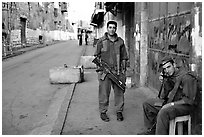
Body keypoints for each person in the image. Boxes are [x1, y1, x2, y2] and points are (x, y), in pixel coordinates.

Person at [138, 55, 198, 135]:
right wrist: (164, 81)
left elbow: (188, 100)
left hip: (185, 106)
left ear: (174, 65)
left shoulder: (186, 77)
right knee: (147, 104)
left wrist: (171, 104)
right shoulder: (170, 76)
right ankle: (152, 131)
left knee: (163, 112)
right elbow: (163, 96)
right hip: (173, 102)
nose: (167, 70)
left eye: (169, 67)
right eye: (165, 69)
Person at [94, 20, 128, 122]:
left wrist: (123, 71)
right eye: (110, 27)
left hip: (117, 72)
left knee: (119, 92)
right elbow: (96, 56)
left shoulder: (120, 42)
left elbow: (124, 57)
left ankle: (119, 112)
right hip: (105, 73)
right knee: (104, 93)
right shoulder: (101, 41)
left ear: (116, 29)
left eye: (114, 27)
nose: (112, 29)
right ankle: (103, 112)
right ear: (107, 28)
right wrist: (101, 68)